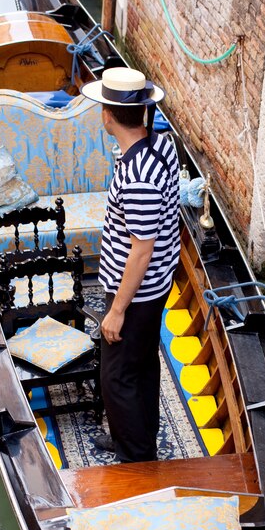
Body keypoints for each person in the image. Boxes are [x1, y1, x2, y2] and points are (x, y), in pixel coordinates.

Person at [81, 67, 180, 462]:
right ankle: (133, 439)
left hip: (137, 291)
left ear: (107, 114)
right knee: (141, 366)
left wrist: (117, 310)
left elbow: (142, 249)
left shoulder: (138, 175)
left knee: (116, 377)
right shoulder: (161, 145)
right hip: (156, 284)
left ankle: (137, 460)